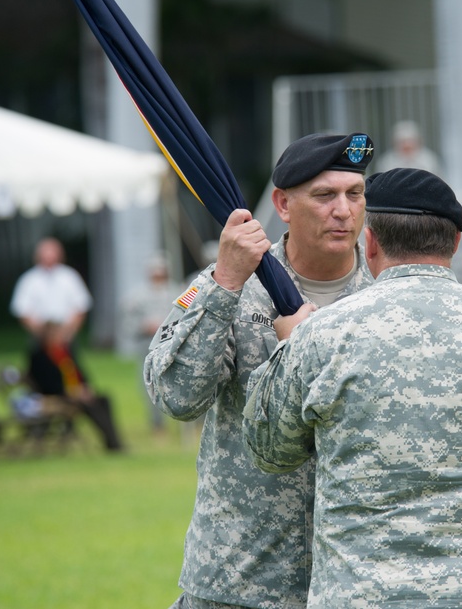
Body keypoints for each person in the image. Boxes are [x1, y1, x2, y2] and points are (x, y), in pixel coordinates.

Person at [242, 168, 462, 608]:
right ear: (455, 243)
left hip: (360, 595)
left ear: (371, 242)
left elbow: (269, 449)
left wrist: (289, 346)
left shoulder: (324, 333)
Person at [144, 132, 375, 609]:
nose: (344, 211)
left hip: (355, 581)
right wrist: (225, 282)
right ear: (283, 205)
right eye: (325, 195)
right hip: (240, 577)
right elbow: (176, 397)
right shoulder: (237, 283)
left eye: (355, 195)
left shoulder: (386, 299)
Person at [26, 321, 123, 452]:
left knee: (103, 399)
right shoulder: (39, 356)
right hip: (56, 395)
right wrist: (70, 391)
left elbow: (80, 373)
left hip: (76, 392)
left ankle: (113, 441)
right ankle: (114, 445)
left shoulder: (66, 352)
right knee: (90, 405)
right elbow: (43, 382)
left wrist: (86, 387)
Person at [119, 252, 185, 433]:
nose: (158, 274)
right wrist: (143, 325)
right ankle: (157, 424)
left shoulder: (177, 291)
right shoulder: (137, 296)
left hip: (175, 346)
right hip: (148, 346)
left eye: (160, 270)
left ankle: (189, 424)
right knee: (150, 384)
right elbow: (127, 322)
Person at [9, 237, 92, 344]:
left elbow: (81, 306)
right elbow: (22, 310)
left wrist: (66, 332)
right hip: (40, 337)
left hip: (66, 336)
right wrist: (41, 332)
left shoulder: (70, 276)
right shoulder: (29, 279)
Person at [373, 120, 442, 176]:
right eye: (402, 142)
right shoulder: (386, 162)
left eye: (410, 141)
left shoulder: (429, 160)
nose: (407, 145)